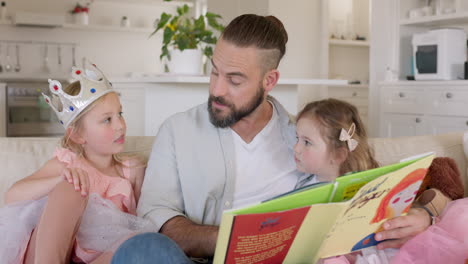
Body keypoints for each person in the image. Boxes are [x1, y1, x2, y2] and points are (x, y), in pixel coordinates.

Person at [111, 14, 434, 263]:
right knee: (143, 248)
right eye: (214, 72)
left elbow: (365, 186)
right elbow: (154, 215)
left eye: (234, 80)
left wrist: (424, 215)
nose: (217, 90)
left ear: (270, 80)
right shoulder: (178, 130)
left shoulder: (307, 139)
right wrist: (233, 240)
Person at [1, 62, 152, 264]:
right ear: (77, 134)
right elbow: (12, 196)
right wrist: (59, 180)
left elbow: (140, 222)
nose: (120, 126)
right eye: (107, 120)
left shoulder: (131, 171)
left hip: (98, 258)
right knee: (71, 187)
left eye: (120, 114)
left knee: (139, 240)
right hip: (47, 254)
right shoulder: (67, 164)